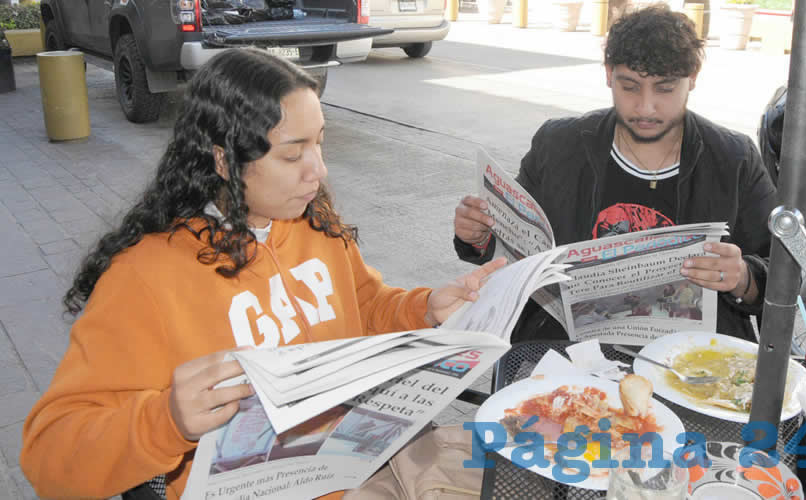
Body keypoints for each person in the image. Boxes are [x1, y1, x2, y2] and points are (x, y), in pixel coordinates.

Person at [19, 49, 505, 500]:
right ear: (223, 159)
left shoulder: (315, 224)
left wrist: (424, 307)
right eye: (292, 155)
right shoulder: (145, 278)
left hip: (365, 465)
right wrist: (164, 420)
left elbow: (365, 306)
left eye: (319, 142)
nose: (317, 171)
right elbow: (49, 457)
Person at [452, 4, 776, 343]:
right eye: (630, 86)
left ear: (692, 78)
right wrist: (479, 236)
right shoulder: (559, 145)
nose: (646, 107)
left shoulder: (733, 158)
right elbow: (517, 246)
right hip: (567, 345)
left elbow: (785, 273)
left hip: (691, 355)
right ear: (609, 74)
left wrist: (742, 278)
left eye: (665, 88)